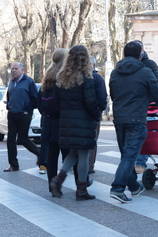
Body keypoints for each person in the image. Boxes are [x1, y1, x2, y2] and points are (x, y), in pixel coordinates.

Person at [109, 41, 158, 203]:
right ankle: (117, 188)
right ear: (140, 54)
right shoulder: (145, 72)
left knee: (126, 155)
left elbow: (113, 94)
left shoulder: (115, 72)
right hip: (137, 118)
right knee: (129, 156)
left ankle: (134, 187)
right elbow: (157, 91)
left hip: (119, 118)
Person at [50, 45, 98, 201]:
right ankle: (81, 189)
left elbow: (56, 103)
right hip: (83, 121)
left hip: (66, 122)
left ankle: (58, 181)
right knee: (83, 155)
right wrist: (96, 115)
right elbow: (90, 102)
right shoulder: (86, 78)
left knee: (73, 153)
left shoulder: (62, 77)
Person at [38, 48, 70, 189]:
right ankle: (81, 184)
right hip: (63, 122)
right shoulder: (65, 76)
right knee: (69, 155)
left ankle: (52, 184)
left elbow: (39, 102)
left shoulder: (47, 77)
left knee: (52, 155)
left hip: (48, 122)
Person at [4, 62, 40, 172]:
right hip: (12, 114)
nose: (13, 71)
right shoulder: (11, 82)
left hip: (24, 115)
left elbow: (35, 99)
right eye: (12, 69)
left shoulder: (29, 82)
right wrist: (9, 106)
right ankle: (14, 165)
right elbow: (9, 96)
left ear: (22, 70)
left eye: (15, 68)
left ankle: (40, 153)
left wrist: (26, 109)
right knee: (10, 139)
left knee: (23, 139)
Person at [133, 40, 158, 174]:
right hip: (134, 107)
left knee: (143, 135)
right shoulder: (127, 66)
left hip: (147, 106)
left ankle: (139, 162)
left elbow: (156, 85)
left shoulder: (150, 65)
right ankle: (136, 163)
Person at [87, 56, 107, 174]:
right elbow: (102, 98)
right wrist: (99, 110)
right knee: (92, 141)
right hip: (94, 115)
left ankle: (83, 165)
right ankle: (89, 166)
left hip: (84, 115)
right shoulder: (98, 78)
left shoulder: (78, 77)